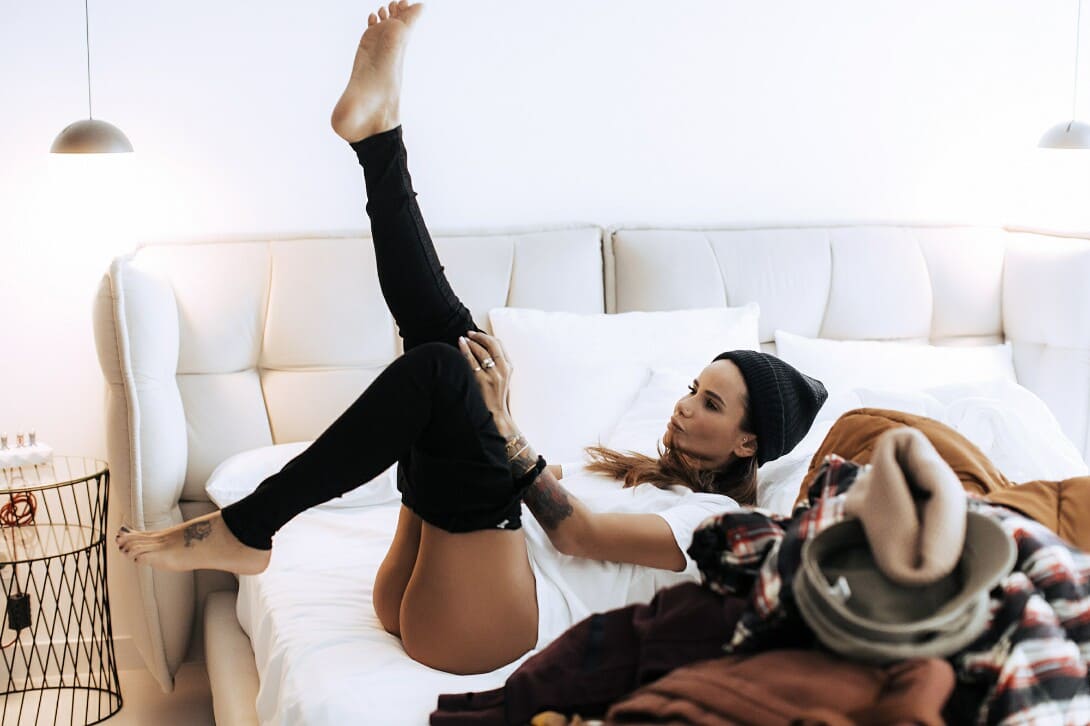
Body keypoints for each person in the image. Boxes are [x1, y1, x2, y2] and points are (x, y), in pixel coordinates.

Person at [114, 1, 827, 676]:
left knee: (447, 371)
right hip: (439, 589)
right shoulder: (637, 473)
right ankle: (377, 140)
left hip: (493, 627)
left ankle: (253, 524)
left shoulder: (717, 524)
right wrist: (498, 424)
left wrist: (501, 426)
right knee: (453, 351)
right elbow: (537, 498)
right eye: (694, 388)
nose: (684, 404)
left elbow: (576, 535)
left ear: (748, 442)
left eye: (710, 403)